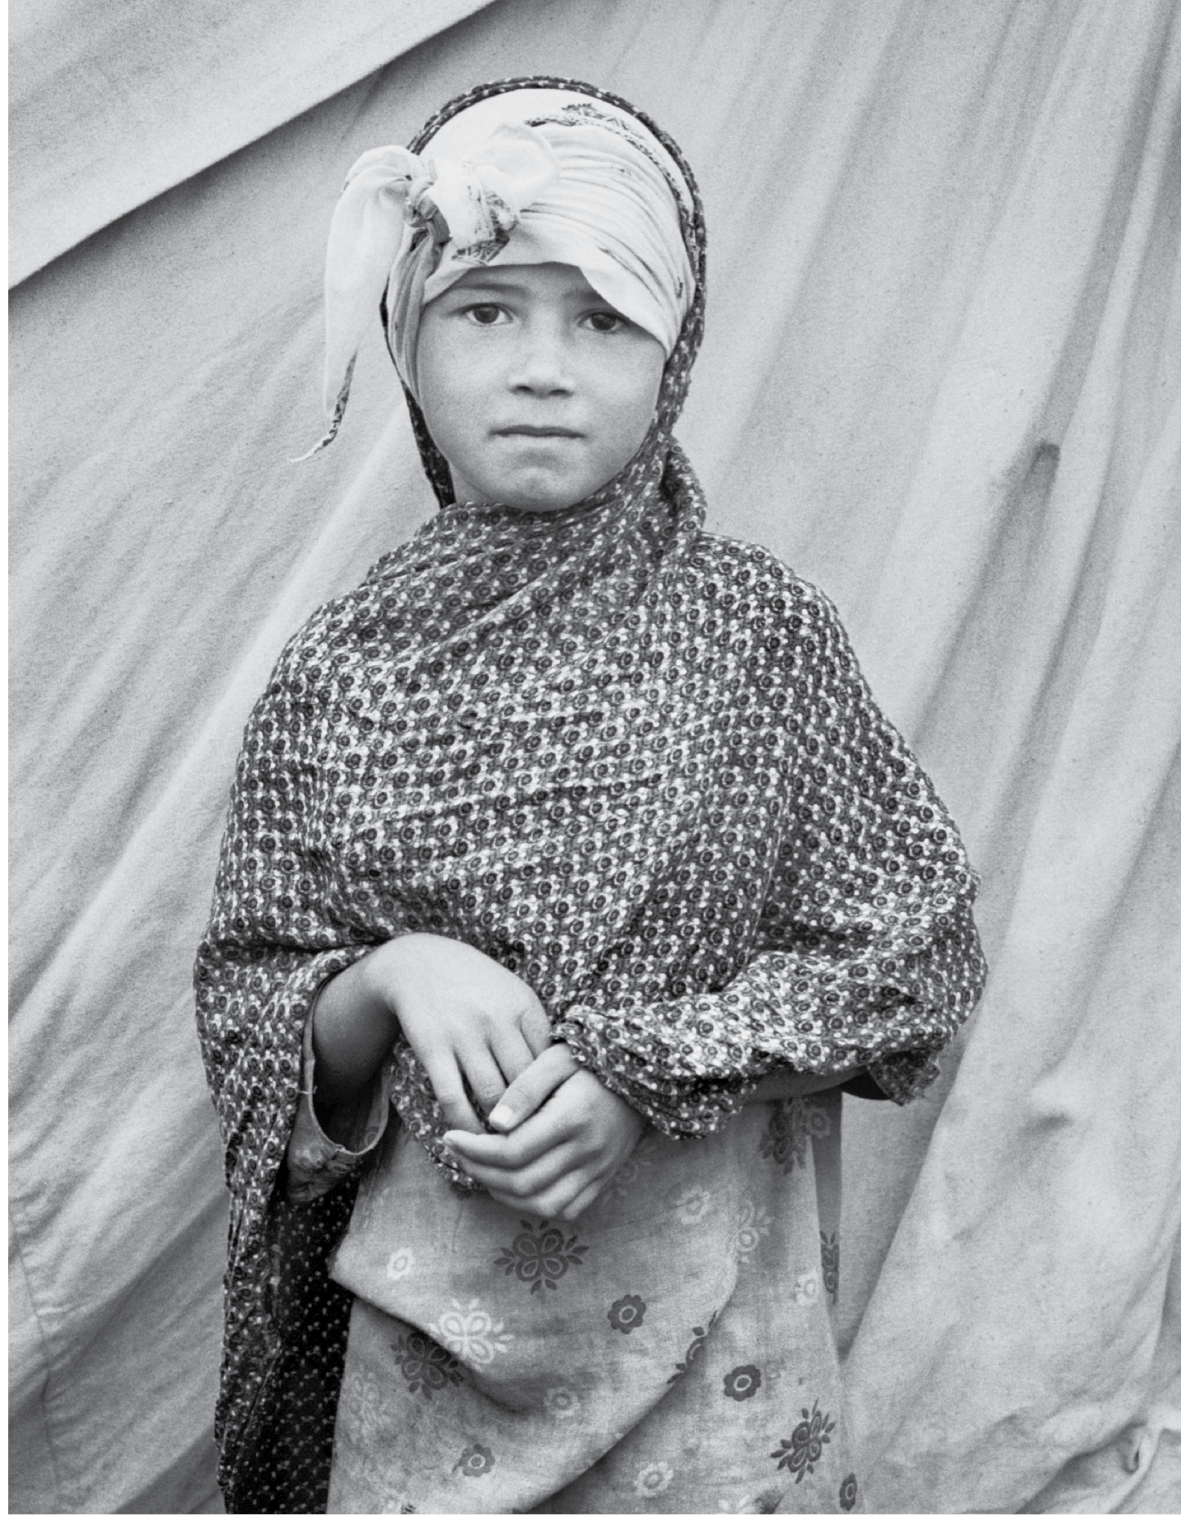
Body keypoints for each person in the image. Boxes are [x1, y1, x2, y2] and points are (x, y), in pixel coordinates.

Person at [194, 77, 985, 1515]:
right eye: (488, 307)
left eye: (604, 316)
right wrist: (387, 979)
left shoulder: (757, 637)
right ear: (407, 339)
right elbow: (249, 1001)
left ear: (673, 353)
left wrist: (650, 1068)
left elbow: (912, 954)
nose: (543, 367)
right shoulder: (337, 674)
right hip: (431, 1381)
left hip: (719, 1379)